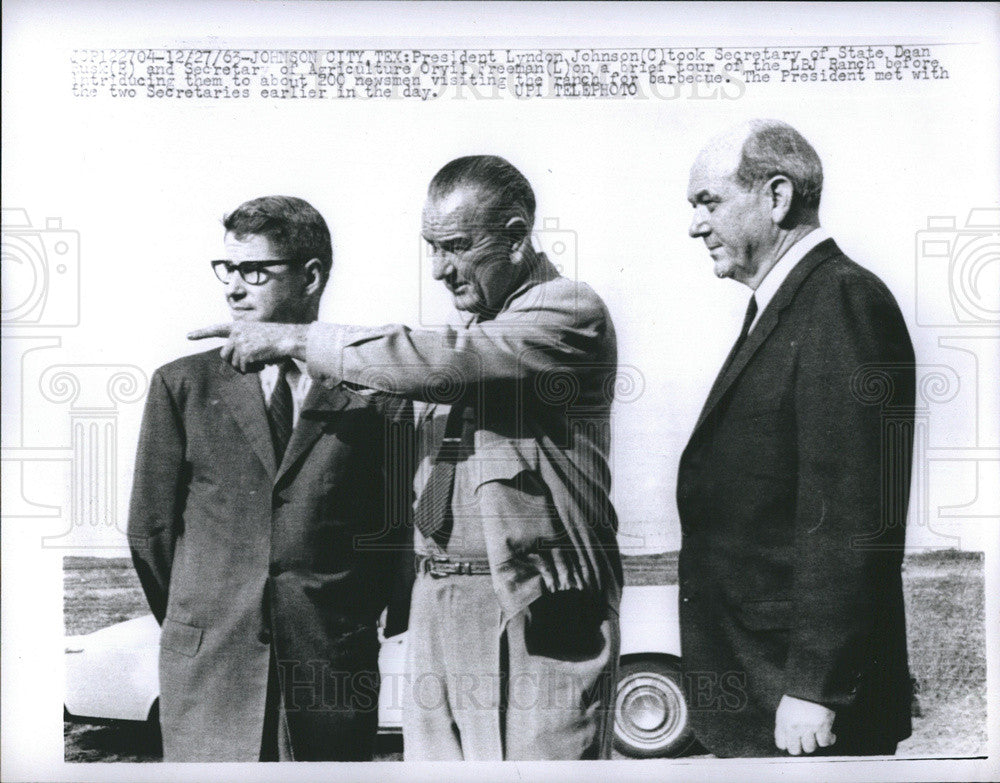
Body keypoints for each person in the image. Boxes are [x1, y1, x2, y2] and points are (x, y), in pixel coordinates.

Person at [190, 156, 623, 760]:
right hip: (439, 606)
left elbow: (447, 359)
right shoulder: (470, 332)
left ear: (518, 236)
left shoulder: (567, 314)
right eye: (431, 248)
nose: (441, 269)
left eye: (458, 247)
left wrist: (294, 338)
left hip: (533, 614)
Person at [128, 195, 409, 761]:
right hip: (211, 672)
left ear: (311, 277)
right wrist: (205, 619)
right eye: (227, 270)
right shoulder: (181, 387)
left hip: (330, 674)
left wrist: (342, 621)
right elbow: (150, 534)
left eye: (254, 271)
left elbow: (393, 534)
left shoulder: (374, 394)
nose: (234, 288)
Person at [677, 120, 915, 757]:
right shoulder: (791, 306)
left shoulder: (841, 301)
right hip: (761, 687)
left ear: (777, 197)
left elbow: (848, 514)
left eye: (709, 203)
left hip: (801, 705)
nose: (695, 226)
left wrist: (815, 687)